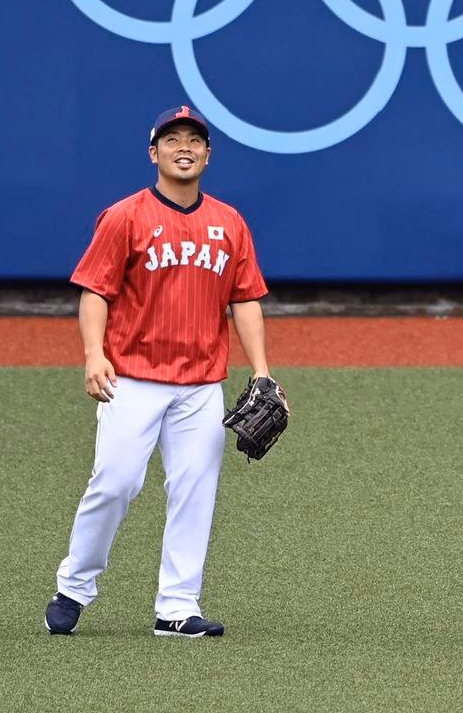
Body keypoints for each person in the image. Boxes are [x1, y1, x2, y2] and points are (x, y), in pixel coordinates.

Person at [45, 105, 274, 638]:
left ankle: (177, 605)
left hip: (201, 383)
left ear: (208, 155)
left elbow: (245, 299)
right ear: (154, 153)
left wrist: (262, 371)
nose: (183, 147)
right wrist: (94, 353)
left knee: (195, 491)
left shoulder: (230, 222)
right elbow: (95, 291)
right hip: (132, 377)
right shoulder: (124, 216)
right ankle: (74, 586)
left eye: (194, 140)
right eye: (172, 140)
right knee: (115, 484)